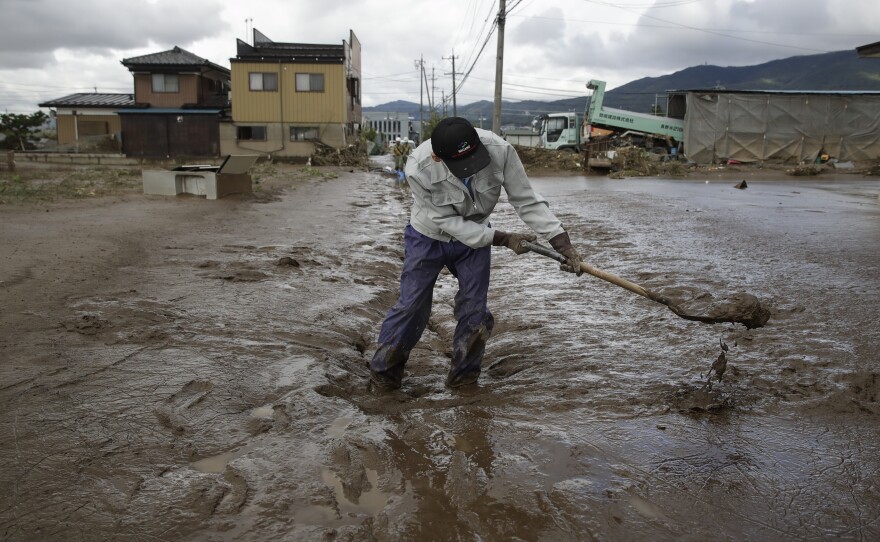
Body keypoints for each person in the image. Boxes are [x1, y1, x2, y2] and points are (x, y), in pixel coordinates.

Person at [369, 117, 583, 392]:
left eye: (473, 159)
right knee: (412, 305)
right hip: (428, 236)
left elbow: (526, 199)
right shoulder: (418, 167)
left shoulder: (501, 151)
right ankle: (384, 376)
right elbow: (446, 221)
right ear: (437, 157)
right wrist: (503, 239)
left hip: (476, 235)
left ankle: (463, 379)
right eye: (460, 166)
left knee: (475, 310)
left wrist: (562, 243)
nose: (468, 171)